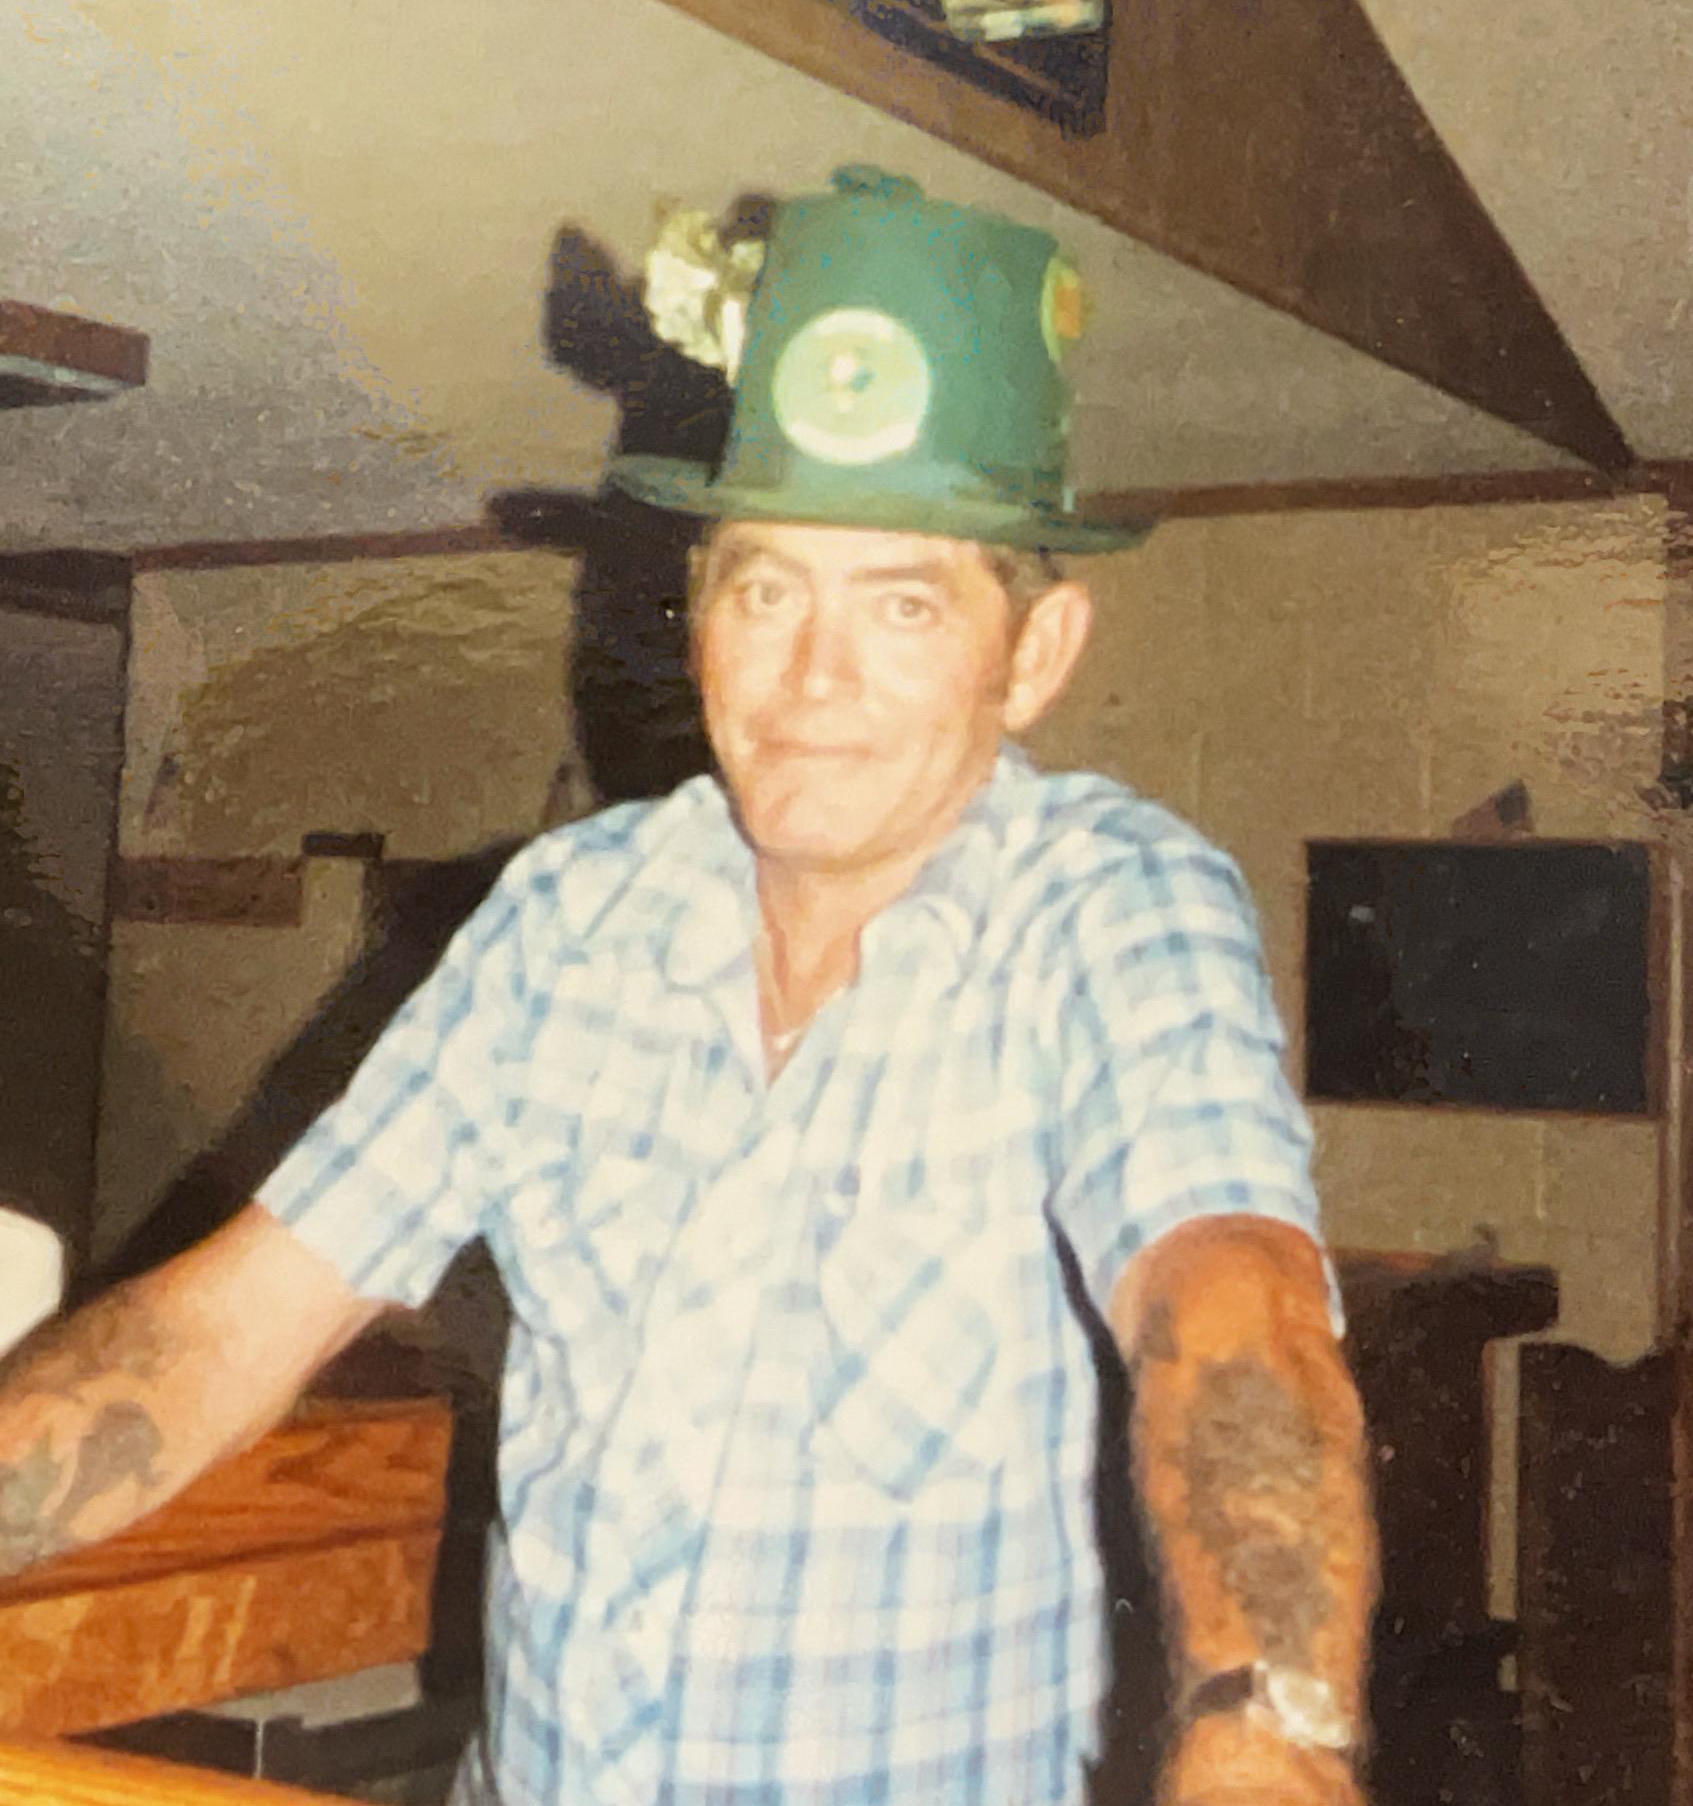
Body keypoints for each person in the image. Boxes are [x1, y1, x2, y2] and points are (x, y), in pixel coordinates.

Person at [0, 168, 1374, 1806]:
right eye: (765, 586)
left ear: (1034, 654)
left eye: (903, 602)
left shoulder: (1106, 906)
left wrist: (1265, 1730)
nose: (812, 676)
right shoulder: (561, 920)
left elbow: (1231, 1303)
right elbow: (228, 1326)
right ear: (700, 609)